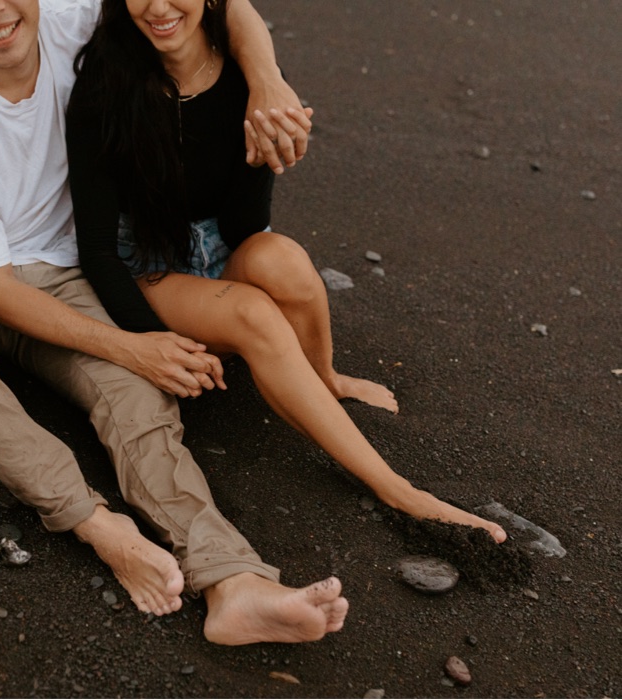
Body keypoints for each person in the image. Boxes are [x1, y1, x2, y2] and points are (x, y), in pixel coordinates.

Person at [0, 0, 347, 645]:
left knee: (137, 405)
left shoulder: (78, 18)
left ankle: (232, 581)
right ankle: (98, 525)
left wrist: (267, 79)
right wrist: (129, 344)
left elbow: (227, 6)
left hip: (68, 270)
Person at [64, 0, 505, 541]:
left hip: (221, 246)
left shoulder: (250, 81)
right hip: (146, 270)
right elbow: (98, 252)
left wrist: (266, 147)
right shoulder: (104, 86)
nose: (158, 7)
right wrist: (156, 348)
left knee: (286, 262)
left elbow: (248, 226)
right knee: (252, 313)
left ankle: (324, 377)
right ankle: (397, 489)